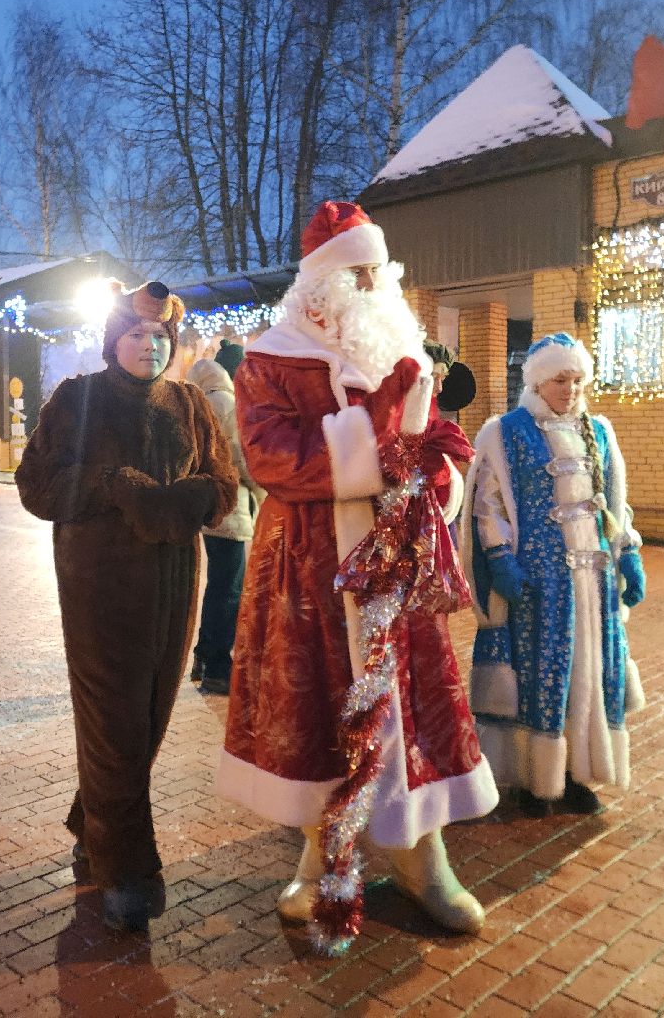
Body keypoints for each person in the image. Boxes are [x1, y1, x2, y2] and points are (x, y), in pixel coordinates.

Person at [216, 200, 497, 947]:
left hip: (398, 563)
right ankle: (321, 852)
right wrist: (377, 430)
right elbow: (273, 456)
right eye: (357, 273)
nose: (371, 285)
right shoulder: (270, 359)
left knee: (409, 705)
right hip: (311, 566)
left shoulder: (402, 350)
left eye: (378, 272)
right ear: (320, 284)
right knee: (322, 712)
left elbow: (442, 447)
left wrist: (435, 477)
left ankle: (420, 856)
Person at [15, 280, 239, 931]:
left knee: (148, 722)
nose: (149, 345)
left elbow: (225, 483)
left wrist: (181, 502)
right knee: (114, 723)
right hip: (99, 589)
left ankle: (92, 822)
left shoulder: (192, 402)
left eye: (160, 336)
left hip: (174, 587)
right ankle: (126, 869)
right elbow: (36, 484)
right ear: (114, 340)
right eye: (137, 334)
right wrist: (112, 485)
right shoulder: (78, 399)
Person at [460, 332, 647, 819]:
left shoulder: (599, 431)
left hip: (593, 584)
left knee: (589, 673)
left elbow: (615, 500)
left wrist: (626, 552)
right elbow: (487, 504)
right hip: (540, 583)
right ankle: (531, 778)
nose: (571, 389)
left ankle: (575, 774)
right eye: (561, 379)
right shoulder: (505, 432)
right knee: (540, 675)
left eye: (577, 379)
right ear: (539, 382)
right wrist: (500, 559)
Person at [186, 348, 264, 695]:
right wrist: (263, 492)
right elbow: (241, 459)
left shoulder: (195, 398)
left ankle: (203, 656)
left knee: (218, 586)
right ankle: (219, 667)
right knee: (229, 590)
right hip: (229, 508)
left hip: (204, 506)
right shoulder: (227, 404)